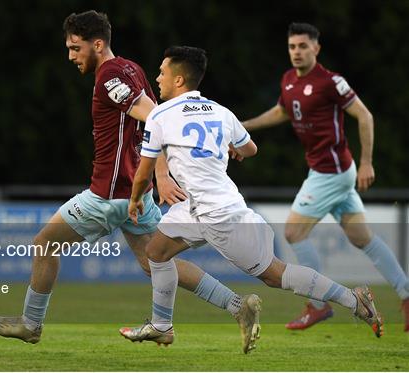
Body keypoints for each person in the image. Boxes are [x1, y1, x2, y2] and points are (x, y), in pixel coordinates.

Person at [0, 11, 248, 343]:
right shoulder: (131, 68)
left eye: (75, 48)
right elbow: (157, 115)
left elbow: (155, 116)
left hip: (108, 194)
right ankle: (236, 305)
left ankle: (31, 324)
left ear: (97, 44)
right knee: (155, 261)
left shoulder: (109, 76)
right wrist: (160, 175)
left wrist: (165, 172)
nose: (71, 56)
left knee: (45, 244)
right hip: (137, 194)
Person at [119, 46, 383, 354]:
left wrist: (136, 199)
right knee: (157, 250)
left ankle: (354, 299)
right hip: (196, 207)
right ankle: (162, 326)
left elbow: (143, 172)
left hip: (220, 214)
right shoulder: (221, 112)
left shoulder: (160, 115)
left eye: (163, 72)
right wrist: (234, 148)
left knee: (275, 274)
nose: (158, 78)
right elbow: (250, 149)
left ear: (179, 80)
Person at [242, 22, 409, 332]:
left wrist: (367, 163)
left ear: (316, 48)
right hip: (328, 171)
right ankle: (406, 292)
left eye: (303, 46)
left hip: (330, 171)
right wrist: (245, 126)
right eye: (292, 46)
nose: (296, 52)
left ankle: (318, 305)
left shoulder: (331, 81)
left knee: (293, 233)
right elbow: (282, 111)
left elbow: (365, 116)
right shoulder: (289, 79)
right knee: (363, 238)